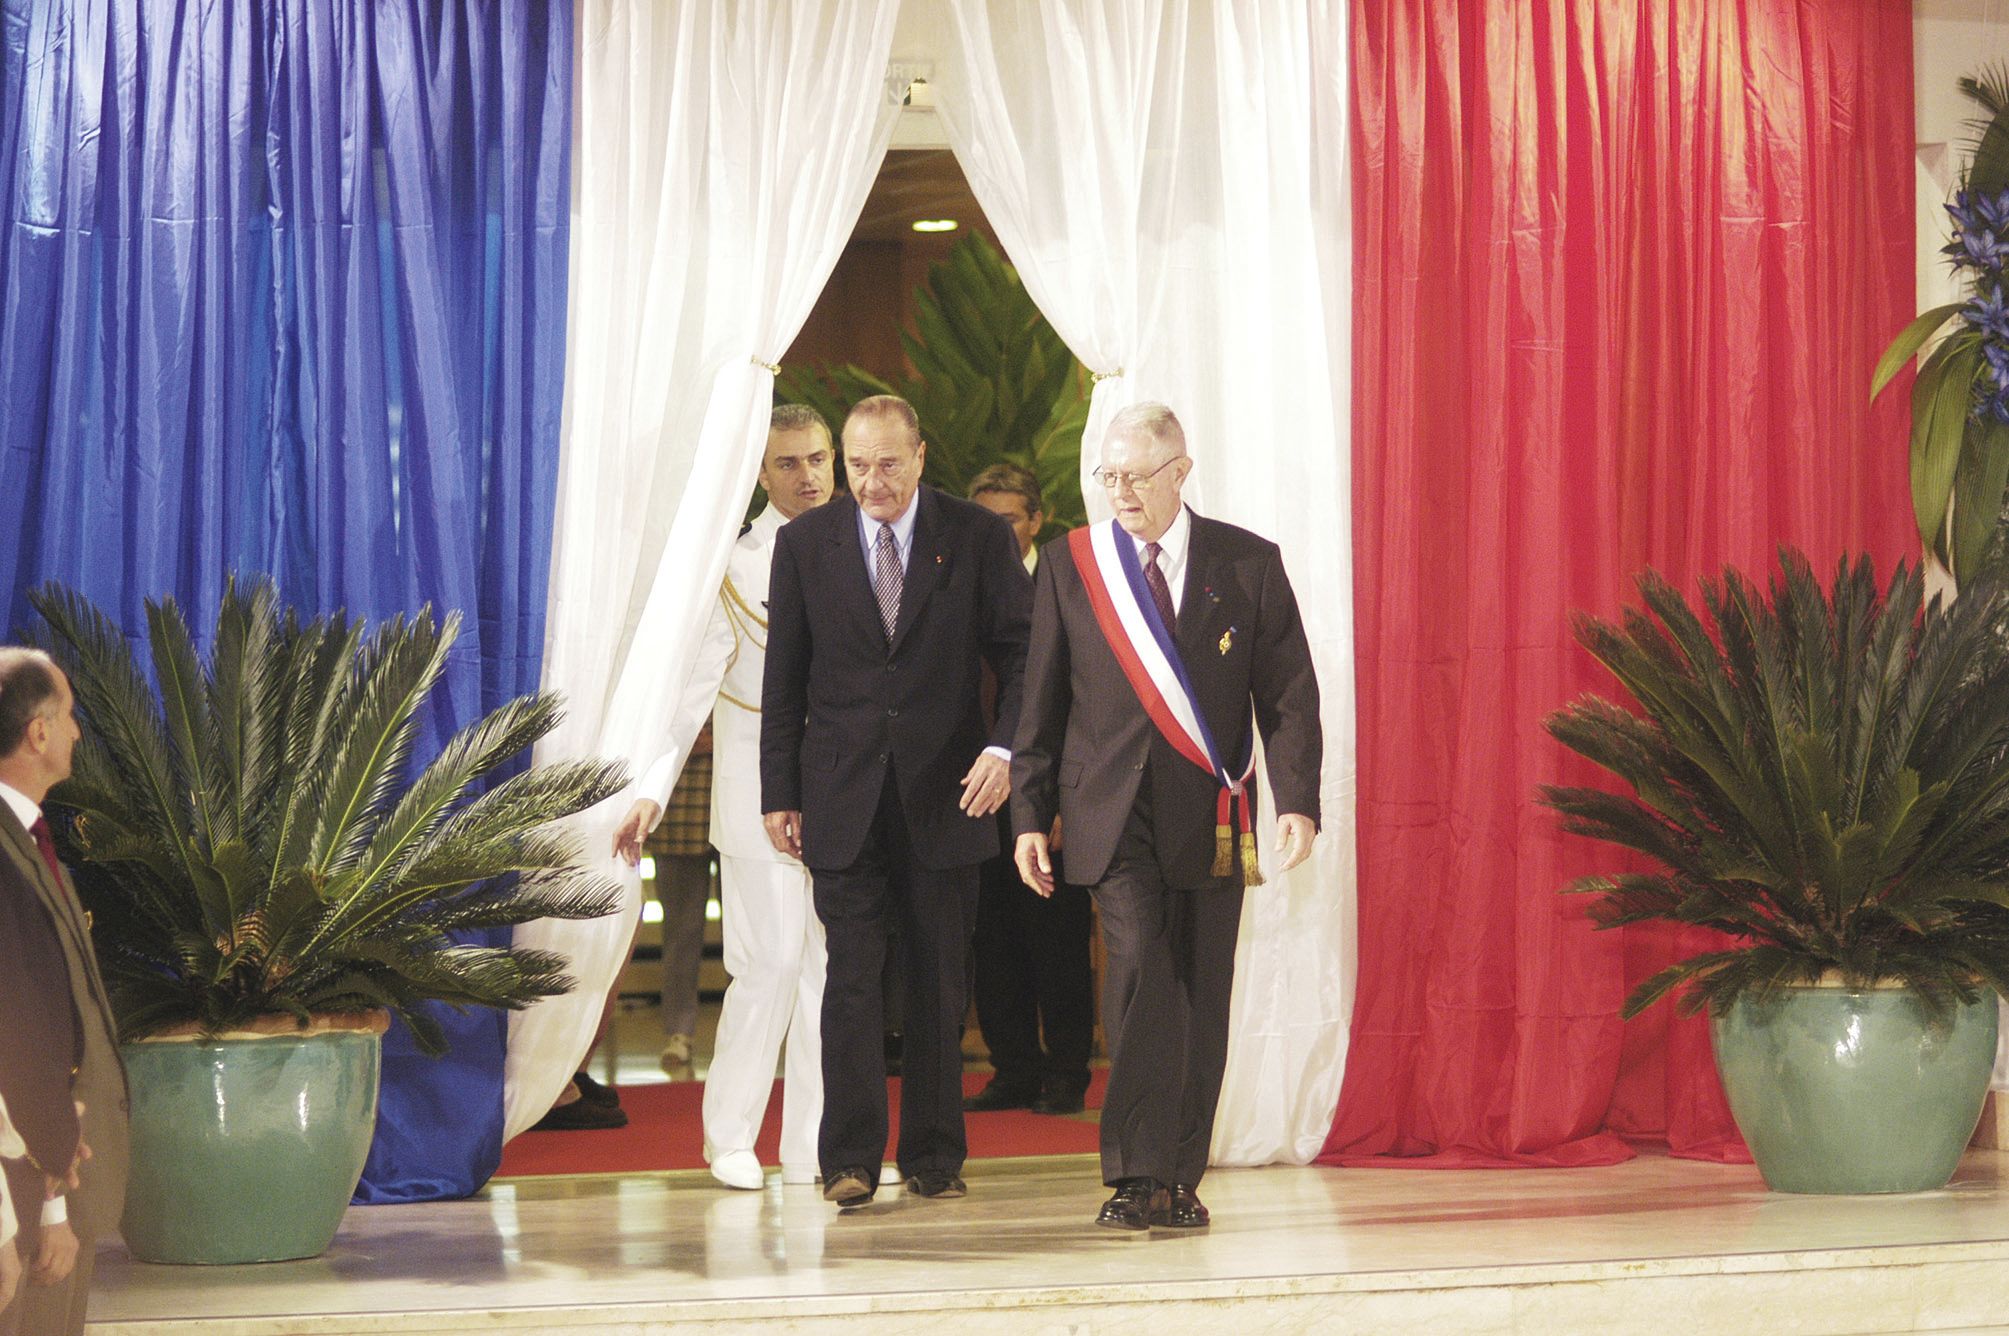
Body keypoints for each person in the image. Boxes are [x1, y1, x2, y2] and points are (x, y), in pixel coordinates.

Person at [1010, 403, 1321, 1232]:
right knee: (1143, 966)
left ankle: (1179, 1177)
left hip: (1212, 811)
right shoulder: (1071, 565)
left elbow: (1287, 695)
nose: (1119, 494)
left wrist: (1297, 803)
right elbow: (1036, 702)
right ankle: (1132, 1172)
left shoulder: (1246, 564)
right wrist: (1029, 817)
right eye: (1106, 478)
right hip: (1108, 813)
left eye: (1135, 478)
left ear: (1179, 472)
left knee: (1200, 985)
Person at [761, 394, 1031, 1207]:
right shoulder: (805, 544)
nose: (871, 481)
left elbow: (1024, 655)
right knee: (850, 981)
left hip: (948, 796)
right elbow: (785, 679)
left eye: (887, 463)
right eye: (856, 465)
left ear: (919, 456)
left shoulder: (976, 538)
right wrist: (779, 791)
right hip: (840, 796)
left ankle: (933, 1157)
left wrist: (1003, 747)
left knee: (939, 984)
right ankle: (846, 1160)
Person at [614, 404, 837, 1190]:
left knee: (829, 972)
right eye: (787, 464)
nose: (807, 476)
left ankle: (814, 1143)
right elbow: (692, 690)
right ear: (760, 475)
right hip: (757, 789)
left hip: (849, 792)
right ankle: (731, 1133)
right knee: (769, 962)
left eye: (817, 458)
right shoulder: (736, 565)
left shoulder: (873, 548)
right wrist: (650, 787)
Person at [0, 648, 131, 1335]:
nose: (79, 733)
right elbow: (19, 1024)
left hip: (55, 1168)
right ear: (38, 732)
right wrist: (49, 1195)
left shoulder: (28, 839)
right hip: (33, 1180)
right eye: (70, 716)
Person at [962, 465, 1094, 1116]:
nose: (994, 531)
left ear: (1036, 519)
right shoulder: (959, 576)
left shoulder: (1067, 578)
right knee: (991, 940)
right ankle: (1012, 1068)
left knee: (1057, 938)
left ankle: (1067, 1071)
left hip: (1048, 792)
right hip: (975, 793)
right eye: (982, 517)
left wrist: (1064, 798)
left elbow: (1080, 695)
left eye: (1008, 518)